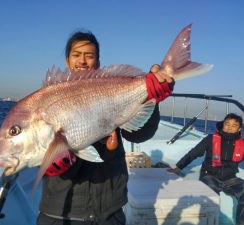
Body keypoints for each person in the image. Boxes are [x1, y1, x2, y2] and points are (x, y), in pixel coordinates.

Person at [37, 31, 174, 225]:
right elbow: (31, 145)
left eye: (89, 55)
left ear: (98, 63)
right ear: (67, 61)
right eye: (76, 55)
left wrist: (151, 96)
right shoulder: (48, 98)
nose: (83, 61)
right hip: (60, 211)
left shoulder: (109, 90)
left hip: (109, 210)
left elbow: (139, 134)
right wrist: (46, 163)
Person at [168, 113, 244, 225]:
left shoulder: (241, 144)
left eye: (234, 125)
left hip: (230, 179)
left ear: (239, 128)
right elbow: (193, 153)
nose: (229, 127)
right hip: (209, 176)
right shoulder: (210, 139)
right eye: (227, 124)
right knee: (211, 199)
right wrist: (179, 167)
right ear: (223, 124)